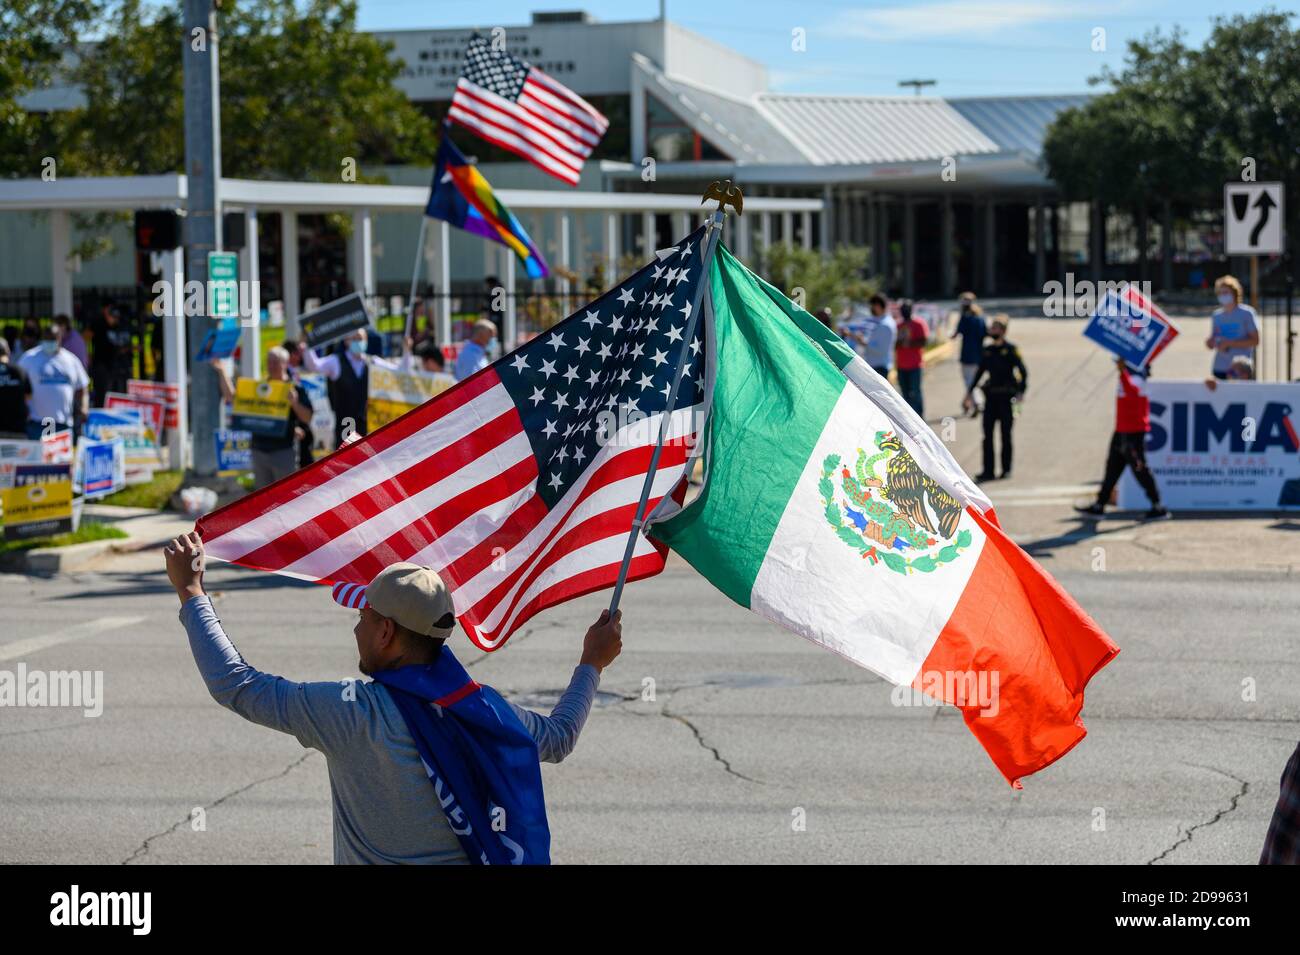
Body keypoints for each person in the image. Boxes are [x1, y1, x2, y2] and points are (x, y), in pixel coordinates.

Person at [165, 536, 622, 864]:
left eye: (363, 616)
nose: (356, 628)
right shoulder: (485, 710)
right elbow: (559, 738)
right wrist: (591, 663)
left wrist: (191, 591)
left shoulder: (351, 714)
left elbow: (238, 685)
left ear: (386, 632)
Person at [1074, 359, 1170, 520]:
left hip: (1133, 432)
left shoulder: (1138, 378)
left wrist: (1122, 372)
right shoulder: (1128, 376)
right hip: (1121, 430)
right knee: (1112, 468)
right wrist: (1123, 372)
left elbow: (1133, 393)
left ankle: (1157, 505)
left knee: (1140, 469)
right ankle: (1100, 504)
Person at [212, 347, 313, 489]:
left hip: (283, 452)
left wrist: (294, 403)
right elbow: (233, 399)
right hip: (259, 452)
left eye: (275, 362)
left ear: (285, 363)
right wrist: (222, 372)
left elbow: (307, 417)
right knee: (263, 500)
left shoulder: (294, 388)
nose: (271, 366)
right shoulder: (260, 387)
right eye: (269, 362)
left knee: (285, 496)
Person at [963, 315, 1026, 482]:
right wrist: (969, 393)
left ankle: (1006, 469)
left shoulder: (1012, 350)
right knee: (987, 435)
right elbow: (979, 372)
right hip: (991, 398)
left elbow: (1023, 373)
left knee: (1006, 434)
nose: (992, 331)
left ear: (1003, 331)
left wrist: (1020, 393)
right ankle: (988, 470)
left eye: (995, 328)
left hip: (1007, 398)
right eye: (992, 328)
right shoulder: (988, 350)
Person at [17, 324, 88, 440]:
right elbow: (18, 385)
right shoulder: (29, 358)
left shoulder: (71, 360)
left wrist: (84, 407)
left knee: (62, 458)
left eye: (53, 339)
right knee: (37, 457)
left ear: (59, 338)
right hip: (37, 423)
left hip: (63, 423)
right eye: (46, 339)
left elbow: (82, 387)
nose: (49, 342)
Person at [302, 329, 370, 448]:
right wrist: (308, 345)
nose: (358, 342)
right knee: (346, 460)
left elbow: (397, 371)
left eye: (360, 339)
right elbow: (314, 366)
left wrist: (406, 350)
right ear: (346, 341)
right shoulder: (336, 361)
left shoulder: (371, 362)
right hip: (346, 424)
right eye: (354, 339)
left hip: (368, 423)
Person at [1206, 275, 1259, 380]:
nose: (1222, 295)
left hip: (1241, 369)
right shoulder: (1216, 315)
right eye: (1220, 293)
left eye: (1226, 292)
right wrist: (1210, 342)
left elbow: (1255, 341)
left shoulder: (1247, 313)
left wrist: (1229, 343)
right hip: (1220, 367)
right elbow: (1214, 338)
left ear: (1234, 293)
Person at [88, 301, 134, 403]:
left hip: (117, 368)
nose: (115, 319)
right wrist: (87, 354)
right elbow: (86, 337)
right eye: (113, 317)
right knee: (102, 395)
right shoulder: (98, 325)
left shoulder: (120, 327)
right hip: (102, 367)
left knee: (119, 394)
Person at [949, 292, 987, 416]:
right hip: (979, 354)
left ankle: (977, 402)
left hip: (967, 355)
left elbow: (956, 334)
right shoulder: (980, 318)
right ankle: (967, 403)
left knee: (969, 381)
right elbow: (985, 333)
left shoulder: (965, 318)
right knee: (974, 379)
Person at [894, 301, 928, 417]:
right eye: (903, 309)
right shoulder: (898, 325)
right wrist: (902, 342)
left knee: (916, 392)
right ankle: (909, 417)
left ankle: (920, 416)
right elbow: (894, 344)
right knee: (905, 393)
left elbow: (923, 341)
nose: (905, 311)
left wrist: (908, 343)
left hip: (915, 365)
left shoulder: (918, 323)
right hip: (901, 365)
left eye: (907, 309)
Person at [850, 294, 896, 379]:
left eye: (872, 306)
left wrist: (863, 342)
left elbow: (881, 350)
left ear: (878, 306)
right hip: (876, 366)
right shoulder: (882, 322)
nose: (871, 308)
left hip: (879, 367)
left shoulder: (885, 325)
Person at [0, 338, 33, 438]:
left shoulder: (19, 371)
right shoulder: (20, 371)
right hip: (18, 429)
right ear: (8, 352)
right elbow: (28, 396)